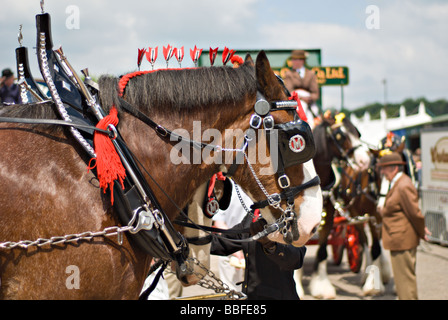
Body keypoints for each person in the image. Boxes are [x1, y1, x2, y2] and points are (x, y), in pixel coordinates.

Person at [211, 214, 306, 300]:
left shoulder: (290, 217)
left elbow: (295, 259)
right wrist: (198, 237)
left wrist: (271, 245)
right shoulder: (253, 215)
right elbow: (222, 243)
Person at [376, 152, 429, 300]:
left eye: (384, 169)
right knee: (403, 281)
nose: (382, 173)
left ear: (393, 168)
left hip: (403, 239)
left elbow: (415, 213)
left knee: (405, 282)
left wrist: (421, 231)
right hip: (399, 239)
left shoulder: (403, 185)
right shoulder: (398, 183)